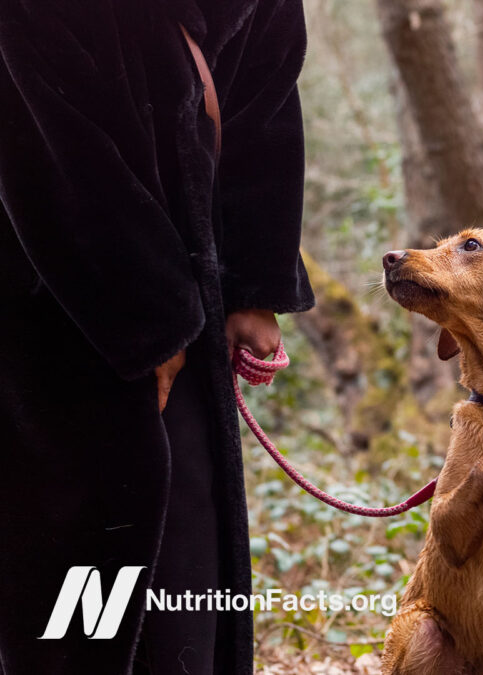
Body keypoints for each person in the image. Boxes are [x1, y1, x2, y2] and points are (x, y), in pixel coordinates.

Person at [0, 0, 313, 673]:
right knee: (79, 574)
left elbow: (267, 89)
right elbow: (47, 135)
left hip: (191, 304)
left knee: (183, 571)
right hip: (59, 305)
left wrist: (256, 285)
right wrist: (145, 320)